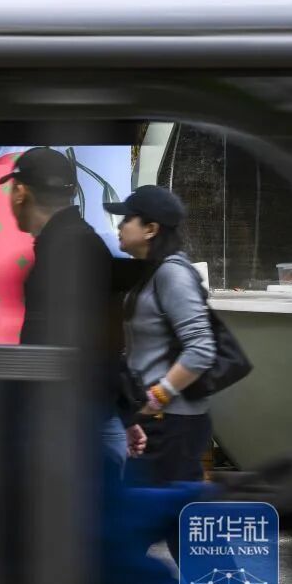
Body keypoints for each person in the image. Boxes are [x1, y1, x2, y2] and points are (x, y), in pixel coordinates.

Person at [2, 147, 147, 467]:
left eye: (11, 190)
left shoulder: (65, 249)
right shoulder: (74, 242)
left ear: (21, 191)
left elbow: (86, 345)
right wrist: (123, 414)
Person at [106, 186, 216, 486]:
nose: (119, 226)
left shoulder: (172, 274)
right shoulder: (150, 273)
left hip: (172, 422)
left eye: (127, 219)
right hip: (154, 419)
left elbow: (202, 348)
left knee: (169, 507)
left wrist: (156, 399)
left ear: (151, 229)